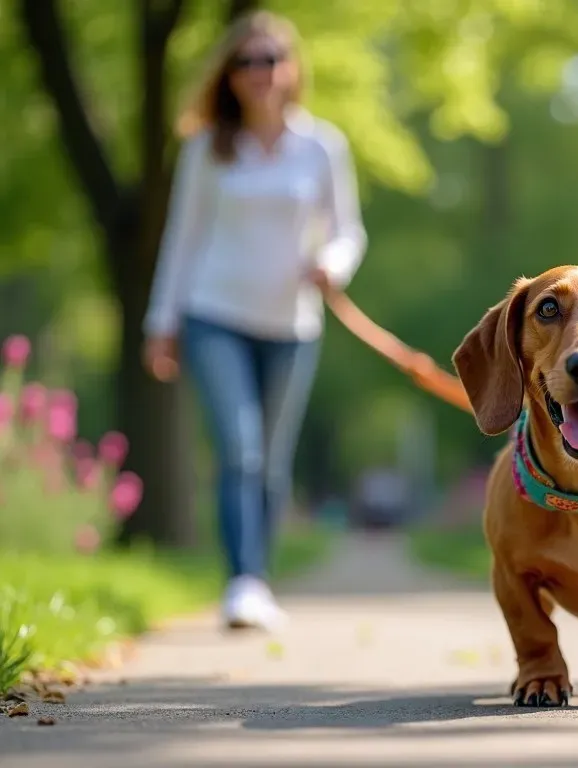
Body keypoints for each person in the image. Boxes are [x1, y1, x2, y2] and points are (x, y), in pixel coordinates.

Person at [142, 11, 367, 631]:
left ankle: (258, 580)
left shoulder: (323, 145)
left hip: (294, 325)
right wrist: (161, 324)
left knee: (270, 460)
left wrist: (333, 263)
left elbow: (349, 230)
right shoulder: (206, 149)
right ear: (230, 76)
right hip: (214, 314)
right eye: (246, 62)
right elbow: (181, 242)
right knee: (239, 451)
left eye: (271, 59)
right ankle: (241, 580)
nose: (260, 72)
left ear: (291, 69)